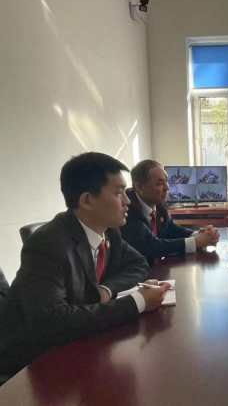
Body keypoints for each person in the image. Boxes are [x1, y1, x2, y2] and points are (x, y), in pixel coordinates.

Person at [0, 152, 170, 377]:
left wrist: (106, 290)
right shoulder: (46, 244)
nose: (127, 200)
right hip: (29, 364)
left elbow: (138, 263)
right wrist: (138, 301)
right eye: (119, 192)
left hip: (78, 343)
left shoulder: (109, 232)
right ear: (87, 200)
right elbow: (51, 323)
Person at [120, 160, 220, 267]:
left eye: (166, 181)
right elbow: (151, 246)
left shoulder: (159, 203)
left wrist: (200, 234)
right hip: (139, 272)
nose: (167, 188)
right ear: (140, 187)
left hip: (158, 270)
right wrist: (197, 242)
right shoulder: (127, 208)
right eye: (159, 183)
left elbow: (172, 229)